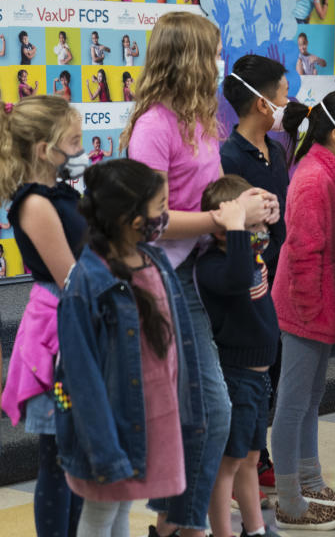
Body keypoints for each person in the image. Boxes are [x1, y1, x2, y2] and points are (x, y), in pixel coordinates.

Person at [121, 11, 279, 537]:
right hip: (163, 283)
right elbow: (144, 220)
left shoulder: (203, 120)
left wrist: (251, 204)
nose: (219, 64)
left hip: (198, 276)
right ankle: (185, 528)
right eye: (213, 53)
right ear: (189, 59)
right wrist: (222, 219)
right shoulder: (154, 126)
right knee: (211, 412)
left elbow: (211, 196)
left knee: (206, 416)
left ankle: (173, 526)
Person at [56, 159, 199, 537]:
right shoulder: (88, 283)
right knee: (102, 512)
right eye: (160, 206)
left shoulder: (154, 260)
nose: (165, 215)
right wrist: (103, 447)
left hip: (149, 414)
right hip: (108, 425)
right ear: (131, 219)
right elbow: (81, 378)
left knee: (122, 507)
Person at [269, 90, 335, 530]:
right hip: (303, 307)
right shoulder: (313, 178)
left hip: (319, 306)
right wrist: (312, 313)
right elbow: (304, 254)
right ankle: (290, 499)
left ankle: (310, 480)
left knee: (311, 398)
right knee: (293, 404)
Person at [0, 95, 86, 537]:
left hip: (75, 323)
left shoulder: (60, 193)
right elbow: (70, 276)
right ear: (44, 149)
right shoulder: (34, 203)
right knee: (58, 460)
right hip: (58, 337)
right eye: (73, 142)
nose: (79, 151)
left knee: (76, 457)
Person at [197, 176, 280, 537]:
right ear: (224, 228)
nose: (260, 232)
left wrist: (271, 216)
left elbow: (275, 245)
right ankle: (223, 533)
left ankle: (256, 529)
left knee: (249, 458)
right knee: (226, 464)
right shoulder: (213, 264)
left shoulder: (251, 250)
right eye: (252, 225)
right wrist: (235, 227)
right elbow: (235, 280)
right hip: (236, 375)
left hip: (258, 375)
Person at [221, 55, 290, 284]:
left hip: (286, 273)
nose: (287, 103)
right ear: (262, 104)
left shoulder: (278, 150)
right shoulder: (228, 160)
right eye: (284, 95)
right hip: (256, 279)